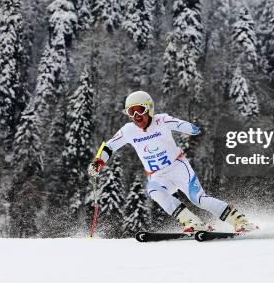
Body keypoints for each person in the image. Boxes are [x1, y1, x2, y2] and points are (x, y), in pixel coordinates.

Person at [88, 90, 257, 233]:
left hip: (178, 168)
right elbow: (109, 146)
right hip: (158, 175)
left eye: (139, 110)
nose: (135, 116)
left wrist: (191, 129)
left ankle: (240, 221)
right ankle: (193, 223)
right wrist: (98, 162)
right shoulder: (128, 130)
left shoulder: (161, 120)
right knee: (154, 190)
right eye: (131, 112)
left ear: (149, 109)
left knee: (198, 200)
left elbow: (180, 124)